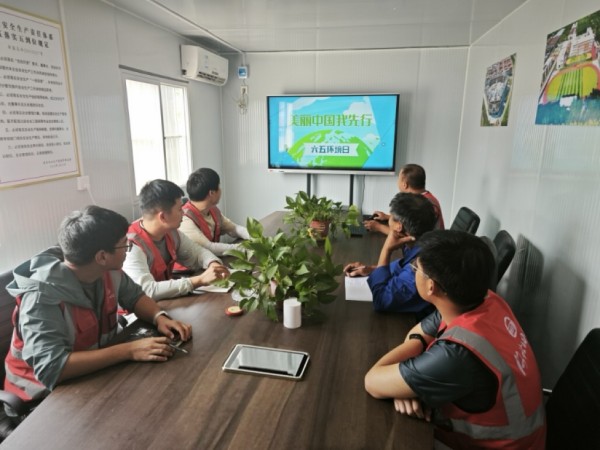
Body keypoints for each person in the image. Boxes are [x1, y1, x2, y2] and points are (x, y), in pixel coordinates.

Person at [364, 230, 546, 449]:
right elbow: (419, 331)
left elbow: (372, 381)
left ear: (431, 286)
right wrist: (406, 383)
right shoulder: (487, 300)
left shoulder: (457, 354)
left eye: (415, 269)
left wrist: (401, 382)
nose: (413, 272)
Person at [4, 206, 192, 409]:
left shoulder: (106, 270)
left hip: (94, 374)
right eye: (124, 245)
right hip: (41, 399)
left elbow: (135, 297)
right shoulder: (41, 297)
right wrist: (129, 350)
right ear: (102, 256)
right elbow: (52, 368)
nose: (128, 249)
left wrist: (159, 317)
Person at [123, 179, 229, 300]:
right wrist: (199, 280)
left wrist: (213, 264)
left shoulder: (171, 233)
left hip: (165, 302)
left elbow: (198, 252)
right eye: (179, 209)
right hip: (141, 310)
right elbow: (147, 290)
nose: (183, 213)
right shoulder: (131, 246)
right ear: (163, 217)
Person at [344, 192, 437, 318]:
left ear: (399, 227)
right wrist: (371, 269)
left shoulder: (420, 266)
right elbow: (401, 267)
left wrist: (386, 249)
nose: (388, 220)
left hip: (414, 321)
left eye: (391, 217)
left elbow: (381, 300)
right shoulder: (420, 244)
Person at [179, 168, 249, 257]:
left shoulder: (212, 210)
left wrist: (254, 237)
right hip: (194, 265)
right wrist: (244, 248)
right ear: (211, 193)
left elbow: (233, 229)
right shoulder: (185, 219)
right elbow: (209, 248)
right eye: (219, 186)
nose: (220, 190)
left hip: (212, 261)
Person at [365, 164, 444, 234]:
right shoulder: (426, 198)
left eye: (398, 179)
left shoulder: (423, 206)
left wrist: (378, 227)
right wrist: (387, 217)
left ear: (404, 185)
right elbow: (412, 222)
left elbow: (407, 236)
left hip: (431, 245)